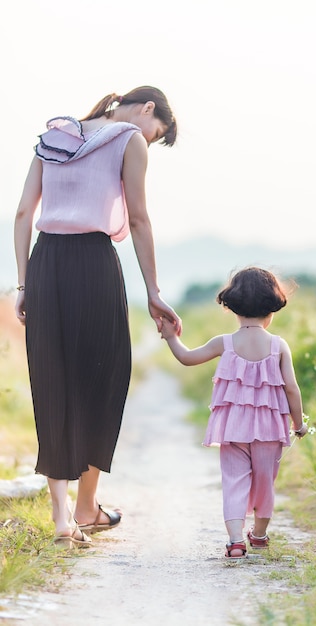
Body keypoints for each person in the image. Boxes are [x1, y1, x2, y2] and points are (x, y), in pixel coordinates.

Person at [14, 85, 182, 548]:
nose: (148, 141)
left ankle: (63, 518)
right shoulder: (128, 139)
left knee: (53, 381)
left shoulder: (56, 135)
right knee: (104, 378)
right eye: (156, 133)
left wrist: (25, 284)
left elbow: (25, 212)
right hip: (93, 262)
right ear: (147, 109)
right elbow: (141, 219)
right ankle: (87, 506)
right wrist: (153, 291)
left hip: (46, 262)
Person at [160, 266, 308, 559]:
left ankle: (235, 540)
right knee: (266, 480)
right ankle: (261, 535)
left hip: (232, 427)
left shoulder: (224, 343)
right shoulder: (279, 346)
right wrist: (299, 423)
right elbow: (292, 388)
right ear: (272, 309)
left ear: (234, 307)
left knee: (233, 480)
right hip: (269, 429)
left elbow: (187, 358)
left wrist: (170, 336)